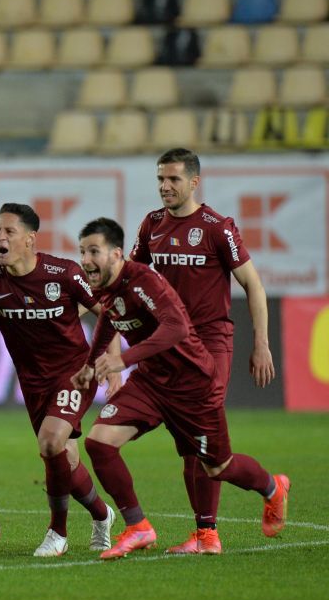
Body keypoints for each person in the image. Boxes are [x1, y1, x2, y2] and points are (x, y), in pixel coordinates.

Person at [73, 218, 289, 560]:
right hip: (151, 383)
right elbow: (108, 318)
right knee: (99, 442)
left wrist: (123, 359)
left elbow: (175, 328)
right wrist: (90, 364)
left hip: (192, 386)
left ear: (116, 254)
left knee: (216, 467)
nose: (86, 259)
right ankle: (138, 526)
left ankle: (273, 487)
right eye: (82, 251)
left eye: (93, 251)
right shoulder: (105, 286)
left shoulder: (142, 280)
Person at [128, 148, 275, 555]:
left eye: (173, 179)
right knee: (191, 444)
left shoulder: (216, 227)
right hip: (169, 343)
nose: (164, 186)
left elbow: (254, 285)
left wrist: (261, 344)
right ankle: (268, 487)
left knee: (200, 438)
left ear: (194, 182)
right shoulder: (152, 225)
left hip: (210, 343)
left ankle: (207, 534)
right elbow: (133, 278)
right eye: (160, 178)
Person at [0, 203, 117, 557]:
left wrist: (110, 361)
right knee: (66, 460)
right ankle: (102, 514)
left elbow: (108, 312)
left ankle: (57, 532)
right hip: (33, 383)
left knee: (50, 443)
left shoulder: (64, 273)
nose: (0, 237)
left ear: (30, 239)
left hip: (74, 374)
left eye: (8, 232)